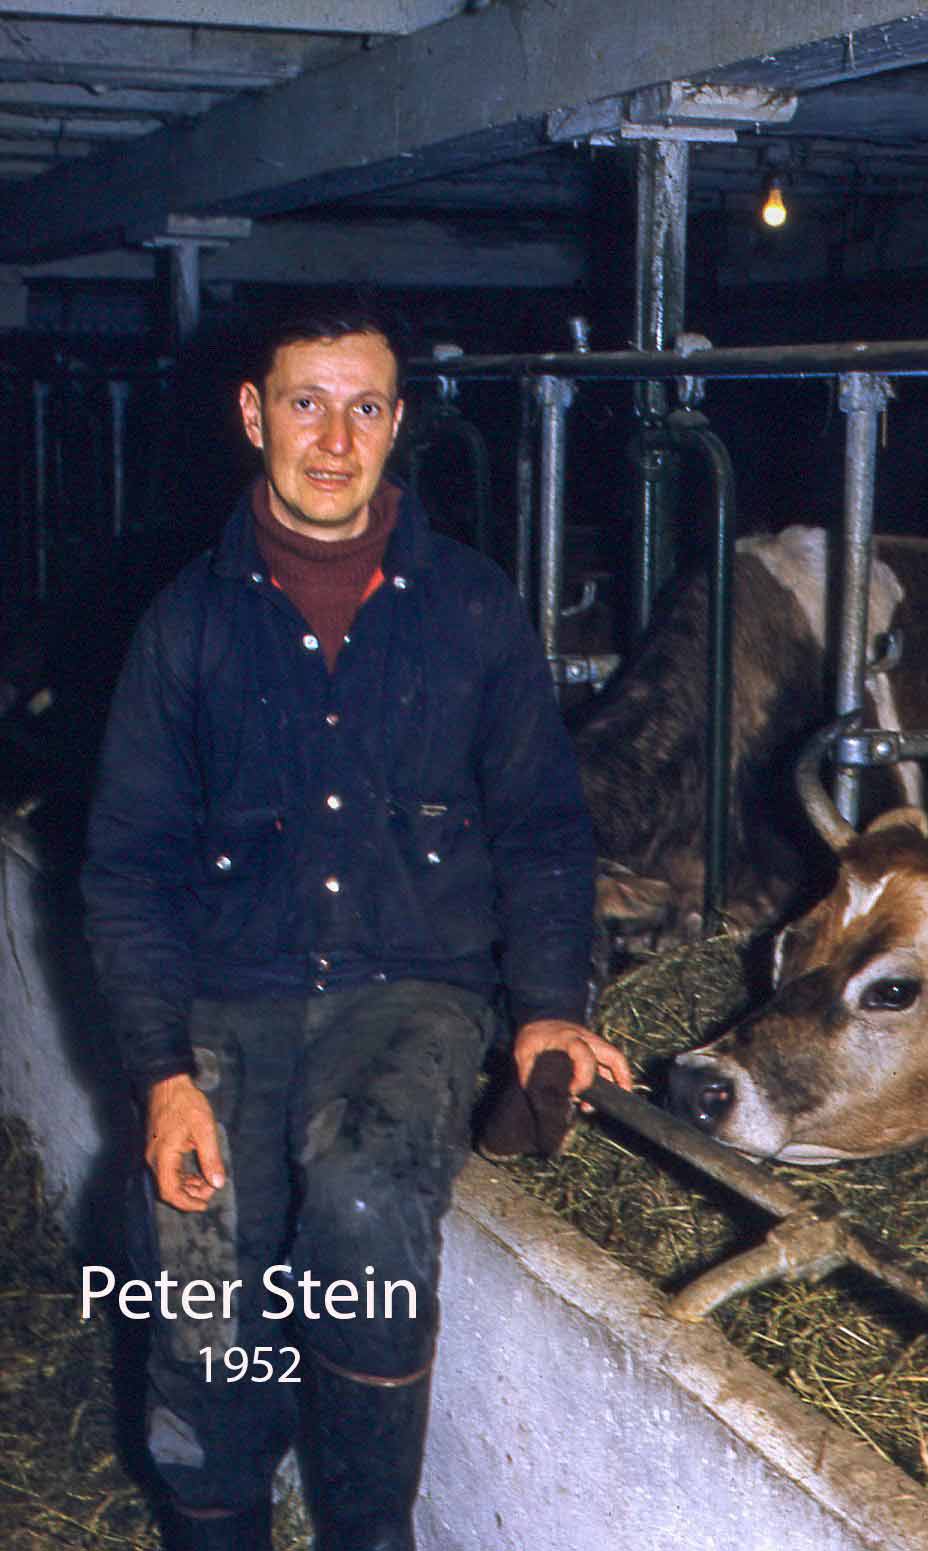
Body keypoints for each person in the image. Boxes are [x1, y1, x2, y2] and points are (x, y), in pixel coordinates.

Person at [82, 297, 632, 1551]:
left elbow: (544, 826)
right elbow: (128, 869)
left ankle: (368, 1535)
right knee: (197, 1262)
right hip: (225, 996)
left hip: (410, 994)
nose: (335, 438)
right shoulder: (187, 627)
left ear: (398, 425)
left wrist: (553, 1005)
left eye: (365, 406)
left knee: (365, 1204)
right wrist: (162, 1074)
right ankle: (216, 1522)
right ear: (252, 415)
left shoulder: (474, 611)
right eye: (306, 402)